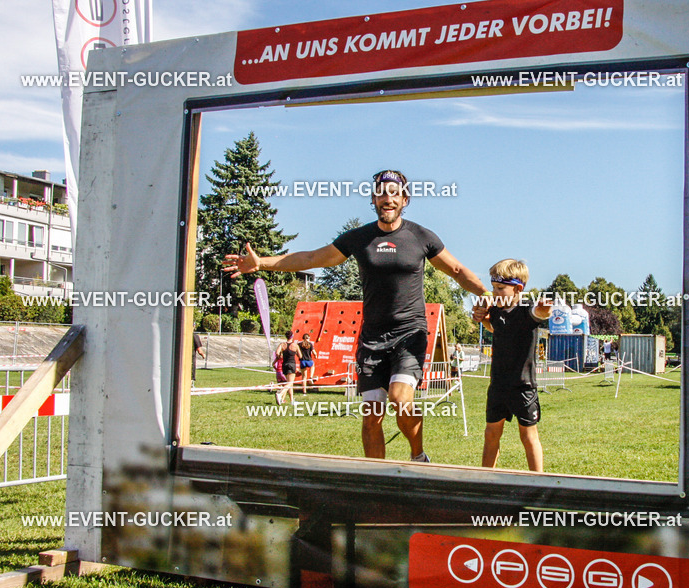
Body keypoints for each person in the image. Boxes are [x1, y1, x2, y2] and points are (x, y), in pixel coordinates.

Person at [224, 169, 488, 462]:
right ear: (374, 199)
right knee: (371, 416)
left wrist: (486, 294)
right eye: (381, 192)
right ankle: (375, 477)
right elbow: (312, 258)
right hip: (372, 338)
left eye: (393, 192)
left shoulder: (420, 236)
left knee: (401, 400)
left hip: (409, 334)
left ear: (405, 199)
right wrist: (262, 263)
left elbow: (456, 270)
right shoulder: (359, 238)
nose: (387, 198)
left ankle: (418, 457)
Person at [472, 259, 552, 473]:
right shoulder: (497, 311)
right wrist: (482, 319)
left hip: (523, 387)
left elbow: (540, 313)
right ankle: (484, 479)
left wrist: (545, 309)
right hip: (498, 385)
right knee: (491, 434)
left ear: (518, 289)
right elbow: (497, 328)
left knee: (528, 436)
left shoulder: (527, 309)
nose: (494, 292)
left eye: (500, 288)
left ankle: (537, 482)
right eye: (493, 287)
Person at [274, 332, 300, 405]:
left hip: (284, 365)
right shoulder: (295, 345)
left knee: (289, 384)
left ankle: (292, 401)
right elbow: (300, 355)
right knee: (290, 383)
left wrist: (280, 356)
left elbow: (277, 352)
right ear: (292, 336)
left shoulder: (282, 344)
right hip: (291, 364)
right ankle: (280, 394)